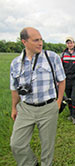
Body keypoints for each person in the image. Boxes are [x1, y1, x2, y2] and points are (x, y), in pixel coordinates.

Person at [10, 27, 66, 166]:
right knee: (17, 144)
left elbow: (62, 80)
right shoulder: (16, 63)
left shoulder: (51, 57)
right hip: (26, 108)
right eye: (36, 40)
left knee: (47, 146)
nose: (40, 43)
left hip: (48, 107)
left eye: (41, 39)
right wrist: (14, 108)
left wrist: (58, 101)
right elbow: (14, 89)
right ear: (24, 41)